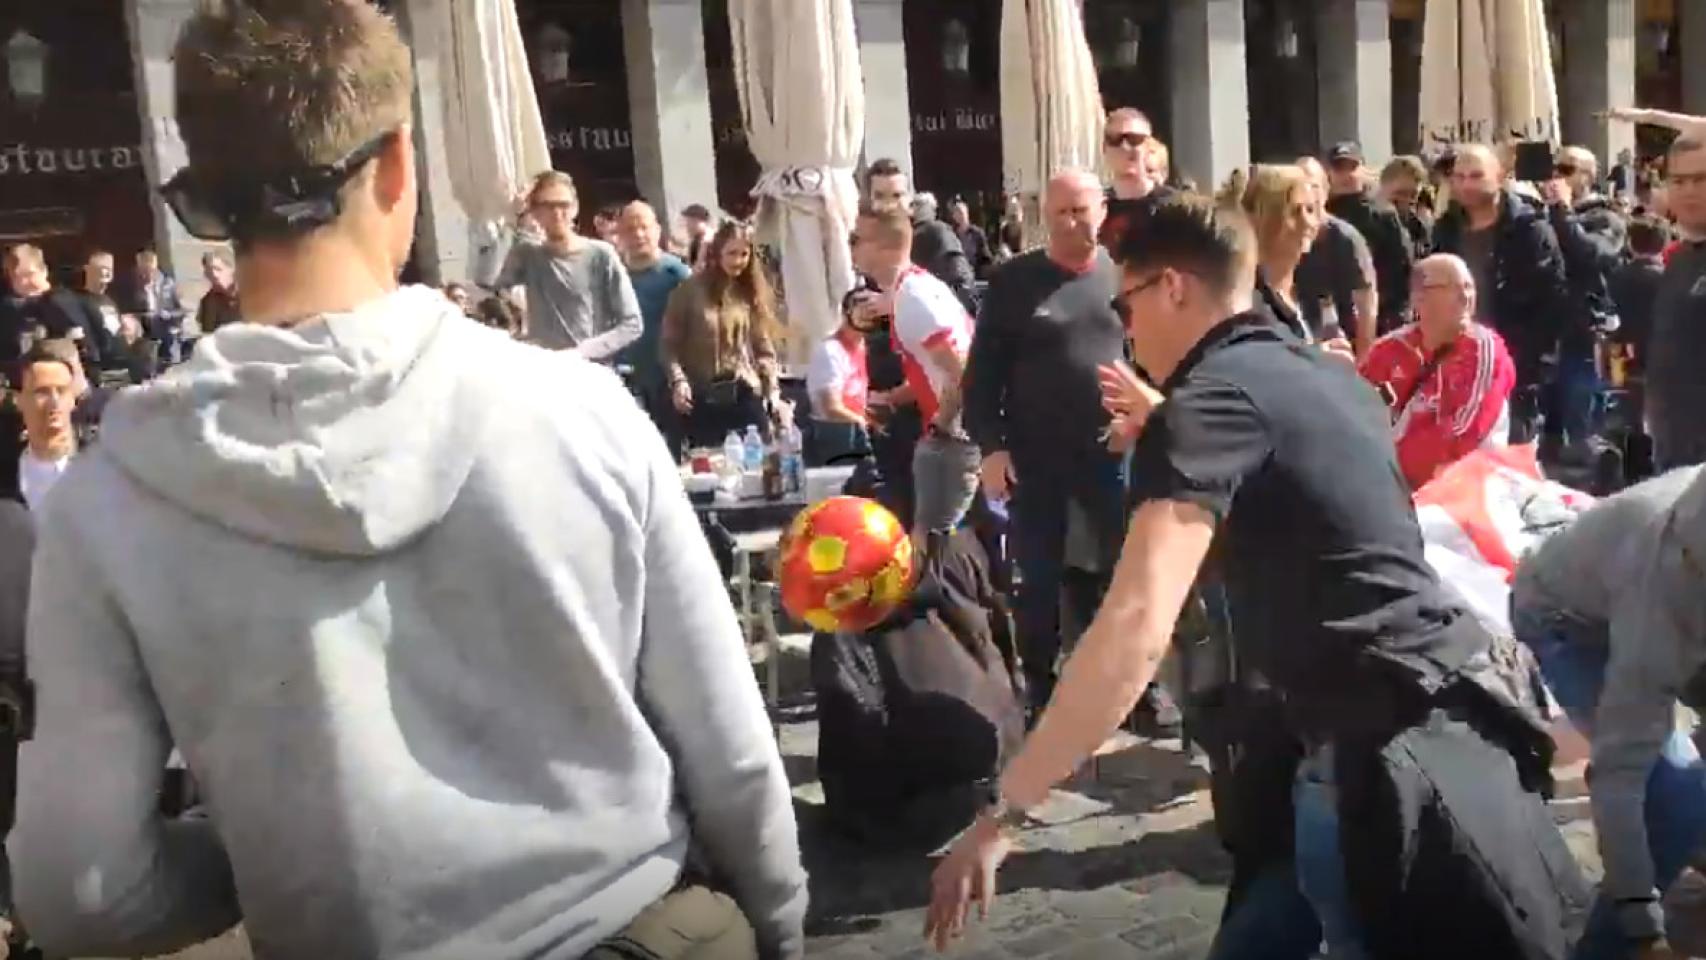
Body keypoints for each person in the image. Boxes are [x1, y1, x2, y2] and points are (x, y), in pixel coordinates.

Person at [9, 4, 807, 958]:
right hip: (633, 928)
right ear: (397, 166)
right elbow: (733, 756)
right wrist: (780, 928)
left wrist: (289, 842)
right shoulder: (578, 412)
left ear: (202, 196)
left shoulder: (108, 503)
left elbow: (81, 893)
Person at [924, 192, 1585, 959]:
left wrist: (1004, 815)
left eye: (1125, 305)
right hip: (1413, 726)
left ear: (1172, 286)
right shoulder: (1325, 375)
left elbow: (1135, 627)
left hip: (1377, 762)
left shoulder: (1208, 405)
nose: (1122, 330)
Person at [962, 169, 1150, 723]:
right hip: (1035, 458)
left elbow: (1154, 361)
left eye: (1082, 210)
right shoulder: (1013, 282)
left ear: (1103, 211)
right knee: (1037, 580)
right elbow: (982, 379)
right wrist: (992, 450)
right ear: (1046, 216)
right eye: (1062, 212)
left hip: (1113, 452)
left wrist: (1140, 418)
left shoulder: (1125, 278)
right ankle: (1040, 686)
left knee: (1128, 573)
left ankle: (1134, 688)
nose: (1073, 222)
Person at [1511, 467, 1706, 960]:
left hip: (1652, 591)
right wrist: (1643, 927)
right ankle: (1609, 946)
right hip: (1566, 623)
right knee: (1676, 797)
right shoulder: (1661, 610)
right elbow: (1620, 777)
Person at [851, 203, 977, 547]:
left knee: (929, 547)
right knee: (934, 541)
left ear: (885, 247)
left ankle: (941, 599)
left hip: (956, 440)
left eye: (856, 239)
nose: (851, 248)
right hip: (959, 435)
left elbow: (963, 371)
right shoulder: (912, 289)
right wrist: (891, 398)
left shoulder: (913, 299)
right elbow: (938, 369)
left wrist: (942, 427)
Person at [1431, 143, 1572, 444]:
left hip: (1515, 365)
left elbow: (1553, 298)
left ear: (1500, 177)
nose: (1467, 184)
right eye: (1460, 176)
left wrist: (1532, 362)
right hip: (1457, 363)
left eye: (1476, 175)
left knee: (1513, 458)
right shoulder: (1446, 229)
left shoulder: (1529, 229)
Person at [1360, 254, 1516, 489]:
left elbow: (1460, 438)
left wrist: (1384, 464)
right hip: (1387, 487)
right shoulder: (1387, 351)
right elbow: (1354, 417)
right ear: (1418, 298)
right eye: (1451, 288)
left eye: (1469, 287)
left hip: (1457, 494)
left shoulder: (1484, 350)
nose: (1465, 297)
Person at [496, 170, 643, 359]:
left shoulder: (601, 255)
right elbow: (493, 291)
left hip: (590, 369)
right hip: (544, 367)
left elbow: (632, 324)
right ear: (536, 211)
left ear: (575, 208)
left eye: (563, 205)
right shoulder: (527, 254)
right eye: (548, 206)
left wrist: (582, 352)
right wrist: (516, 216)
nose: (557, 213)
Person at [660, 220, 781, 449]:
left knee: (759, 462)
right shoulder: (688, 291)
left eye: (744, 254)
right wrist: (678, 381)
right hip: (703, 394)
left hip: (743, 391)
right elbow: (669, 345)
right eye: (732, 253)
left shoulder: (748, 292)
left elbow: (763, 348)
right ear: (717, 254)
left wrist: (771, 387)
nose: (738, 261)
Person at [1643, 136, 1706, 470]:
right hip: (1674, 454)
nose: (1689, 190)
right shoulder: (1679, 259)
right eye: (1679, 181)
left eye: (1701, 179)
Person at [617, 200, 692, 446]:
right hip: (628, 380)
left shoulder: (677, 273)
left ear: (657, 230)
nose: (638, 235)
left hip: (670, 380)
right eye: (630, 229)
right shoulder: (614, 274)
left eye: (644, 227)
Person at [1325, 142, 1415, 335]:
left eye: (1352, 167)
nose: (1347, 175)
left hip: (1379, 317)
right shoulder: (1321, 212)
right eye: (1339, 168)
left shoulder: (1383, 213)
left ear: (1363, 170)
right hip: (1333, 317)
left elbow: (1403, 267)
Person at [865, 158, 978, 311]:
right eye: (879, 196)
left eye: (897, 196)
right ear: (868, 201)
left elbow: (965, 295)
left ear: (910, 201)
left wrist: (901, 302)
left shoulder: (935, 236)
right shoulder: (862, 245)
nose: (889, 205)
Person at [1295, 156, 1378, 356]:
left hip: (1341, 343)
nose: (1308, 193)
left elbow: (1366, 302)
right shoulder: (1286, 235)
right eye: (1300, 186)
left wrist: (1364, 358)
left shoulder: (1344, 238)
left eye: (1313, 186)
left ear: (1325, 190)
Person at [1, 341, 81, 512]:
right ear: (19, 400)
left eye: (62, 391)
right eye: (42, 392)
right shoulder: (6, 477)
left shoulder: (104, 467)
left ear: (73, 399)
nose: (54, 404)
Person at [806, 286, 878, 465]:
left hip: (858, 428)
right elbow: (831, 408)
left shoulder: (865, 347)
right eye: (860, 309)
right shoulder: (830, 351)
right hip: (836, 435)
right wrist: (867, 424)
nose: (867, 316)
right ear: (846, 313)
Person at [0, 245, 92, 380]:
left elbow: (83, 348)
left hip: (65, 383)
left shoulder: (61, 301)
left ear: (44, 271)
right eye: (16, 277)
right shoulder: (11, 310)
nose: (24, 282)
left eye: (29, 274)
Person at [1098, 107, 1174, 251]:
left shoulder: (1174, 206)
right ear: (1104, 148)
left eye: (1134, 139)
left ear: (1149, 146)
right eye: (1115, 140)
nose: (1125, 147)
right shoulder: (1096, 208)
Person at [118, 248, 186, 365]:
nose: (147, 275)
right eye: (143, 272)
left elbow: (183, 311)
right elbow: (126, 310)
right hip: (145, 339)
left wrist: (168, 314)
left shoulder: (169, 285)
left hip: (168, 336)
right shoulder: (132, 287)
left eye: (151, 271)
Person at [1381, 154, 1435, 256]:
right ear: (1383, 186)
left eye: (1413, 195)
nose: (1406, 200)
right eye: (1400, 193)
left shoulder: (1419, 229)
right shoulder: (1368, 226)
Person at [195, 250, 241, 335]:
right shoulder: (208, 302)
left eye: (218, 269)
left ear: (234, 270)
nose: (214, 275)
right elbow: (208, 336)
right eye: (209, 271)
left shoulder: (254, 296)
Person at [948, 199, 993, 279]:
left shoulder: (977, 233)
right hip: (957, 276)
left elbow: (986, 257)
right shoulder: (951, 234)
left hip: (975, 275)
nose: (960, 215)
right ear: (954, 216)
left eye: (962, 212)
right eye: (957, 213)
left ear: (967, 213)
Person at [681, 203, 715, 269]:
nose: (688, 226)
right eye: (688, 222)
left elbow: (699, 268)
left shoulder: (710, 241)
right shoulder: (695, 239)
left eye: (692, 221)